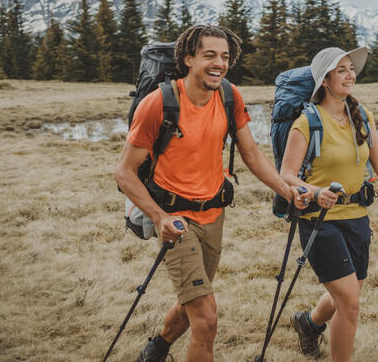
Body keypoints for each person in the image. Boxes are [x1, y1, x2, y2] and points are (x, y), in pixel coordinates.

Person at [115, 25, 298, 362]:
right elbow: (124, 172)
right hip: (176, 222)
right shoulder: (159, 104)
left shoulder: (230, 96)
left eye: (225, 57)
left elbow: (252, 155)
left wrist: (288, 191)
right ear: (187, 59)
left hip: (214, 217)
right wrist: (160, 218)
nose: (219, 63)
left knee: (193, 304)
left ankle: (155, 350)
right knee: (207, 318)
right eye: (210, 55)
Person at [280, 46, 378, 361]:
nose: (350, 75)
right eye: (341, 70)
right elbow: (287, 175)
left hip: (357, 218)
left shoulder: (362, 116)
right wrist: (315, 191)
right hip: (320, 221)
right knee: (350, 302)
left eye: (351, 68)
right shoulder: (307, 122)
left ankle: (308, 323)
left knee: (349, 292)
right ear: (325, 80)